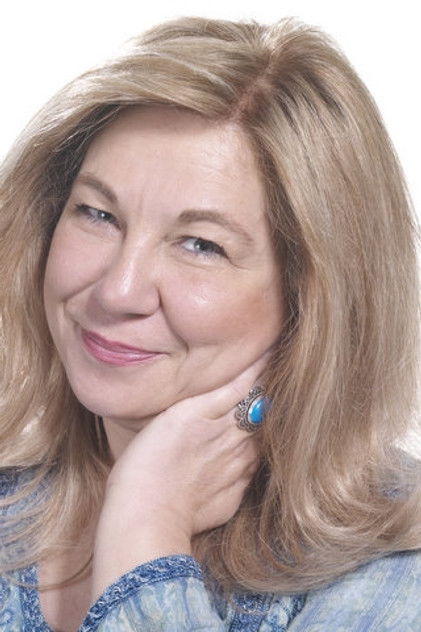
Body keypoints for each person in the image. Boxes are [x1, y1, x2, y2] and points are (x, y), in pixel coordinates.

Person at [0, 15, 420, 632]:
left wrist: (145, 530)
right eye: (97, 213)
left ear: (311, 299)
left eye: (200, 244)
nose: (118, 291)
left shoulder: (395, 570)